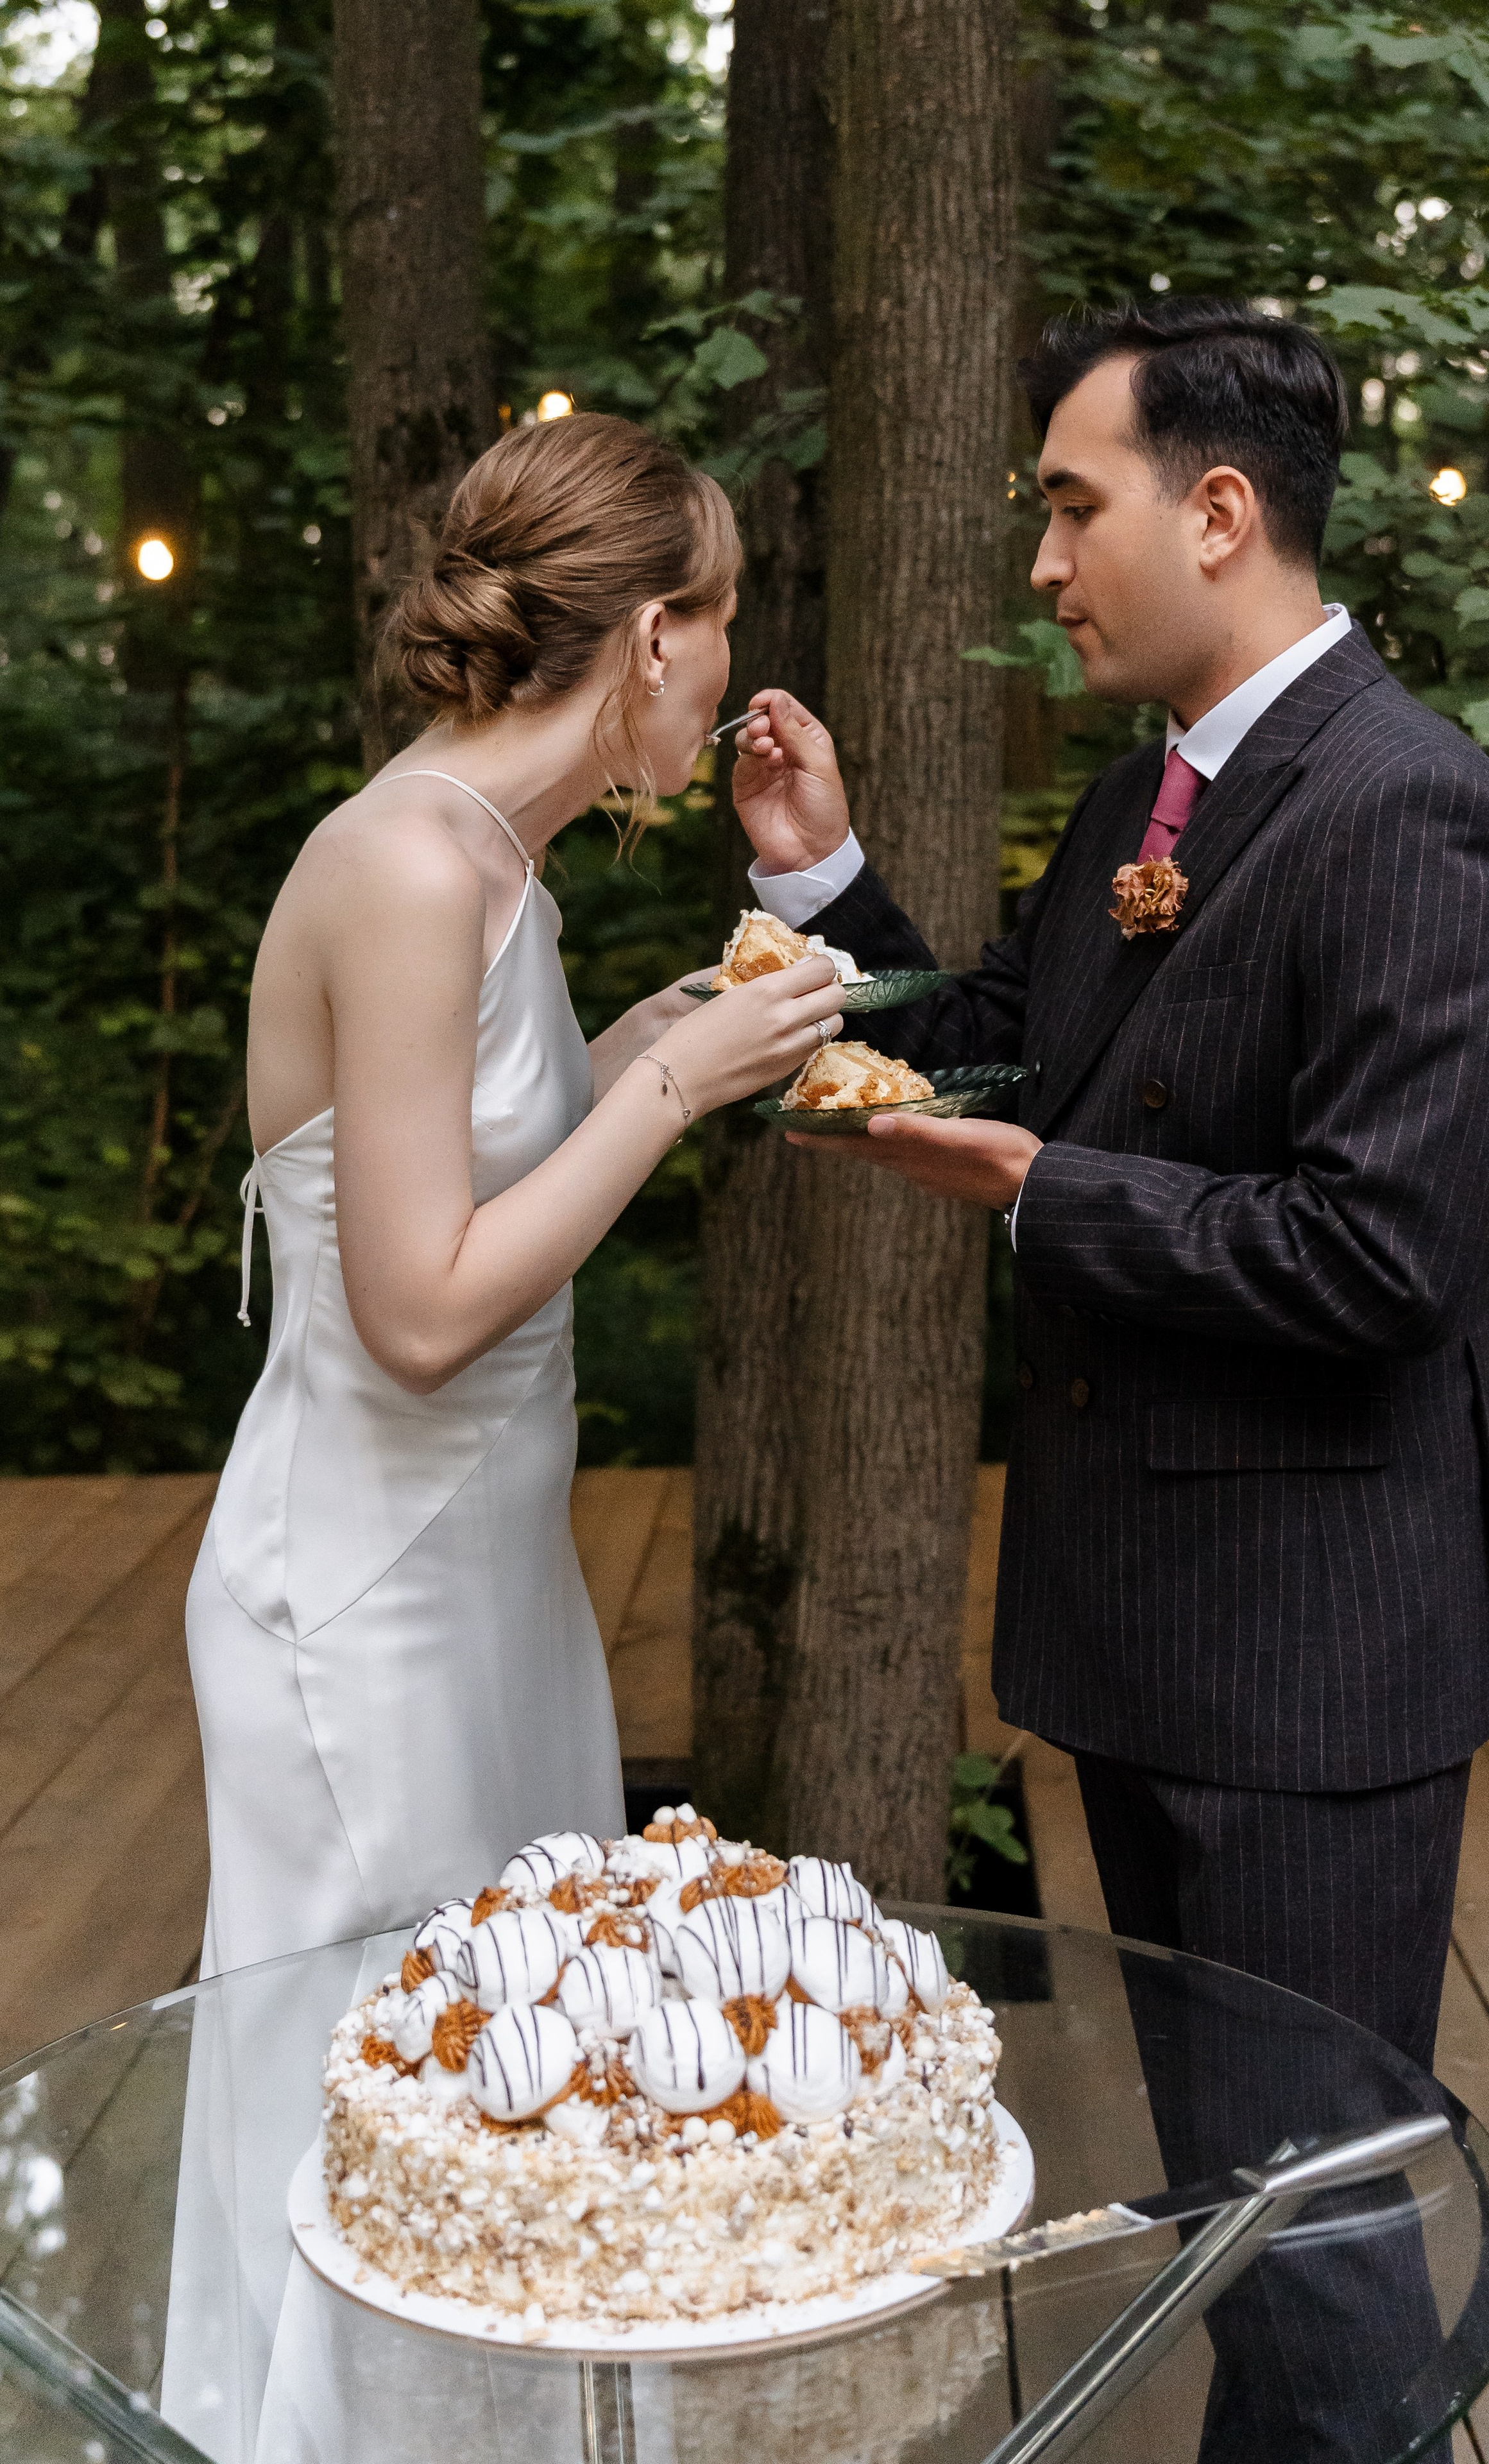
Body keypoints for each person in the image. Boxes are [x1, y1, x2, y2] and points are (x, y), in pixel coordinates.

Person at [731, 295, 1489, 2084]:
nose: (1045, 563)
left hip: (1309, 1671)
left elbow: (1387, 1260)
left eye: (1074, 507)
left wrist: (1048, 1194)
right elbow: (987, 1054)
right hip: (1137, 1639)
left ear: (1220, 516)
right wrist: (820, 883)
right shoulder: (1136, 808)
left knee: (1309, 2235)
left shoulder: (1412, 809)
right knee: (1217, 2200)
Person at [185, 411, 843, 1978]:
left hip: (494, 1575)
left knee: (514, 2084)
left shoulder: (494, 866)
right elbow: (416, 1316)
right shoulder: (409, 864)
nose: (734, 659)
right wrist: (672, 1093)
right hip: (368, 1604)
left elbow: (466, 1153)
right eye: (725, 616)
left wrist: (648, 1040)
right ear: (652, 632)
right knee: (387, 2104)